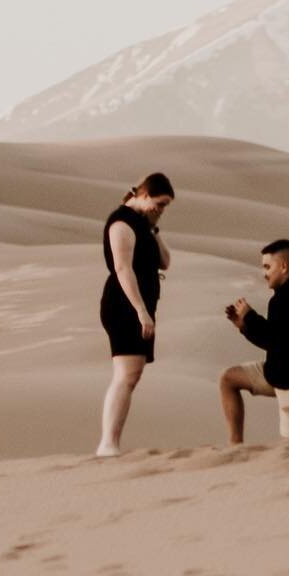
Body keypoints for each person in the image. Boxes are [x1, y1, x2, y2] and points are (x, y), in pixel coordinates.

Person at [95, 172, 174, 457]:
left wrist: (154, 229)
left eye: (165, 206)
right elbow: (122, 269)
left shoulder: (143, 225)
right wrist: (141, 311)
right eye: (160, 203)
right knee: (126, 375)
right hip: (124, 306)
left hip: (140, 306)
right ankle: (108, 444)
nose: (161, 210)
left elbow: (165, 262)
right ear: (143, 195)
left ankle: (111, 442)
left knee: (132, 374)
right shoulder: (121, 223)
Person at [221, 239, 289, 445]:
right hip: (280, 373)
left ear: (284, 266)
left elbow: (275, 339)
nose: (264, 273)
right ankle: (236, 448)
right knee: (229, 379)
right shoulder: (288, 294)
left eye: (267, 266)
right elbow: (275, 340)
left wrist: (250, 317)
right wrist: (244, 326)